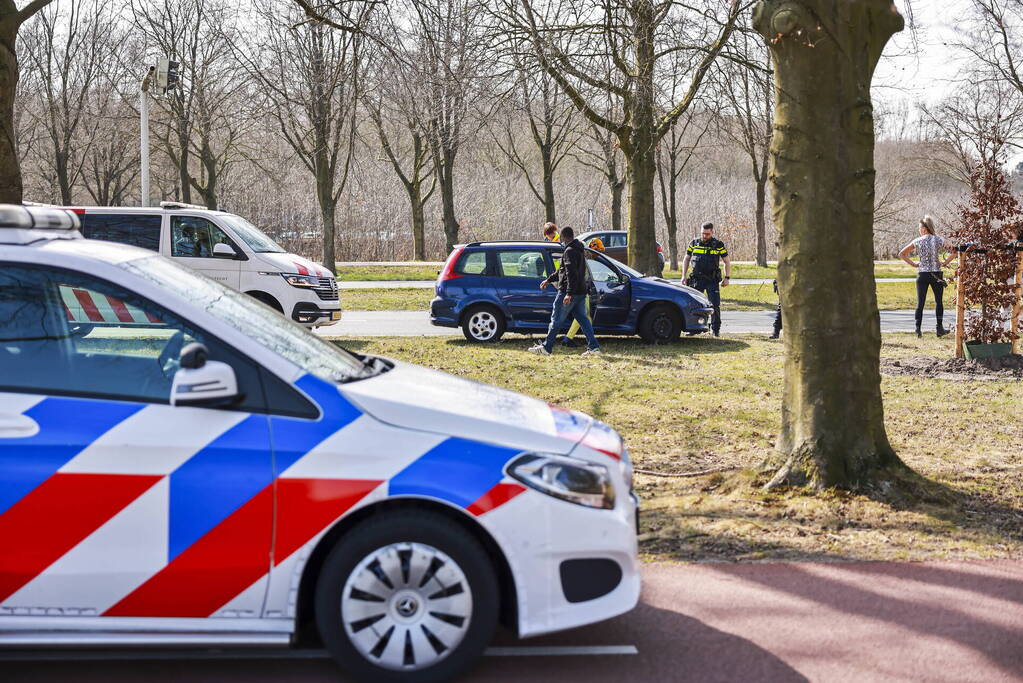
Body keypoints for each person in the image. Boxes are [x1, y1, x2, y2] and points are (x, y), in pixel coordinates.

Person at [529, 227, 601, 356]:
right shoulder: (579, 250)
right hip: (581, 292)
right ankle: (594, 347)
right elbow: (562, 270)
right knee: (583, 319)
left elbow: (571, 274)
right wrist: (549, 280)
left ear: (563, 237)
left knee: (556, 319)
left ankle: (546, 347)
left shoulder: (569, 251)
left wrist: (568, 293)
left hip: (569, 292)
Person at [899, 215, 955, 338]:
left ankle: (918, 330)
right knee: (938, 302)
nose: (919, 230)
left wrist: (914, 264)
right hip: (936, 274)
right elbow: (955, 251)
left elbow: (902, 254)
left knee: (920, 303)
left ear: (925, 228)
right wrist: (945, 263)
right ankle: (939, 329)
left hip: (922, 274)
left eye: (920, 228)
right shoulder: (938, 239)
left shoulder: (917, 241)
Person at [681, 222, 731, 337]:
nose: (704, 236)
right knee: (694, 305)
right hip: (696, 279)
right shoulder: (694, 243)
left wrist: (727, 277)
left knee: (714, 305)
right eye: (703, 233)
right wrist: (683, 275)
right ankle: (693, 328)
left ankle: (715, 330)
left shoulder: (718, 244)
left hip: (711, 280)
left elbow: (727, 261)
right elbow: (686, 258)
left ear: (712, 232)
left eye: (707, 234)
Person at [561, 238, 605, 348]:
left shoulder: (584, 255)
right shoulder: (584, 257)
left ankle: (590, 339)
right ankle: (568, 338)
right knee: (583, 315)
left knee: (587, 315)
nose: (599, 254)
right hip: (580, 290)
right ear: (592, 249)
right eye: (599, 251)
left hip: (581, 289)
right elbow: (584, 275)